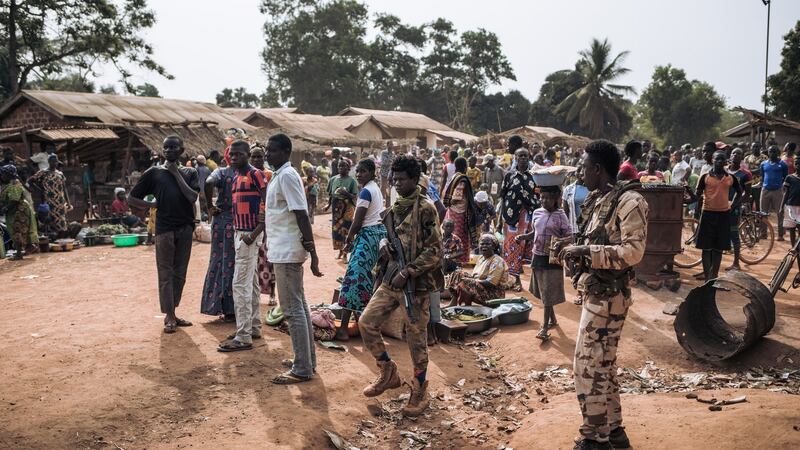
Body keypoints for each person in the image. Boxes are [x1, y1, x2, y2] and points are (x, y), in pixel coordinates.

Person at [559, 139, 648, 450]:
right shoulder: (601, 200)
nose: (581, 173)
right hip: (599, 293)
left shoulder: (629, 202)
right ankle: (613, 431)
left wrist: (587, 251)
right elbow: (600, 239)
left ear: (598, 169)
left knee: (586, 366)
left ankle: (594, 437)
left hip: (609, 298)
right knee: (603, 365)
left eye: (584, 167)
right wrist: (572, 247)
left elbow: (633, 251)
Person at [358, 155, 442, 417]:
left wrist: (408, 271)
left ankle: (419, 389)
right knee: (366, 322)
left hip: (415, 287)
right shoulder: (396, 207)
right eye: (393, 179)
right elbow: (389, 236)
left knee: (416, 339)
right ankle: (387, 370)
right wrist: (384, 245)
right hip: (391, 279)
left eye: (402, 179)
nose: (396, 183)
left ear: (415, 180)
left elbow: (436, 251)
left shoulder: (426, 208)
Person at [264, 133, 324, 384]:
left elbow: (302, 214)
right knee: (299, 306)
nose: (268, 155)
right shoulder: (281, 175)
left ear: (286, 152)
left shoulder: (287, 176)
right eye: (267, 150)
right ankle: (306, 360)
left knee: (292, 309)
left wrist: (313, 253)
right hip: (283, 249)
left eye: (273, 151)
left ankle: (302, 368)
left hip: (288, 252)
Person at [129, 135, 200, 334]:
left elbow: (192, 197)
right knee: (166, 274)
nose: (169, 151)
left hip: (185, 229)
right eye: (166, 147)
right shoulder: (153, 173)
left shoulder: (189, 172)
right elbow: (132, 197)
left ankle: (173, 312)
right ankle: (169, 315)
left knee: (180, 274)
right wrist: (150, 204)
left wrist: (176, 174)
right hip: (164, 230)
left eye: (173, 147)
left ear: (181, 150)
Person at [217, 141, 268, 352]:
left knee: (240, 285)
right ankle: (253, 327)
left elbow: (267, 203)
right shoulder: (236, 176)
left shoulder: (256, 174)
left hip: (249, 234)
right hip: (242, 233)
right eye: (232, 155)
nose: (234, 158)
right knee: (252, 282)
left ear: (247, 155)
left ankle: (243, 335)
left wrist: (254, 232)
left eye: (238, 154)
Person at [335, 159, 387, 341]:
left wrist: (348, 241)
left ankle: (345, 329)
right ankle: (359, 324)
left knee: (353, 280)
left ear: (372, 173)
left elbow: (357, 222)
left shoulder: (366, 190)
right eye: (357, 171)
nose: (359, 175)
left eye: (363, 172)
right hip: (376, 236)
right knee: (364, 279)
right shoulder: (374, 188)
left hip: (367, 236)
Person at [517, 185, 572, 341]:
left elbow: (569, 236)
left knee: (547, 289)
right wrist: (523, 237)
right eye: (542, 197)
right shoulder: (537, 212)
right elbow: (535, 232)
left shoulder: (561, 215)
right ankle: (553, 319)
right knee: (543, 289)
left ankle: (545, 327)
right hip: (538, 255)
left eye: (547, 198)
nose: (543, 200)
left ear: (555, 199)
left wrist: (558, 242)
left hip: (552, 258)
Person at [201, 148, 237, 321]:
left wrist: (210, 206)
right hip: (239, 222)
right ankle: (232, 310)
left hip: (220, 221)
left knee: (218, 261)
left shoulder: (221, 172)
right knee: (236, 264)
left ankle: (215, 305)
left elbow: (208, 182)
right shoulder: (246, 173)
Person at [696, 151, 741, 281]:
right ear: (713, 160)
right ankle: (707, 279)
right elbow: (697, 194)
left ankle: (714, 277)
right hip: (707, 214)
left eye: (722, 159)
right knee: (706, 248)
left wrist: (732, 206)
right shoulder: (705, 177)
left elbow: (739, 192)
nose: (720, 162)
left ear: (726, 161)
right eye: (717, 159)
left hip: (723, 215)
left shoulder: (730, 178)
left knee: (718, 248)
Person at [499, 148, 539, 291]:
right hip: (510, 217)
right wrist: (500, 219)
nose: (523, 158)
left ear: (529, 157)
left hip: (527, 216)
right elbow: (503, 197)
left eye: (525, 155)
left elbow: (537, 196)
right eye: (520, 155)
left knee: (523, 245)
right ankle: (514, 279)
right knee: (510, 246)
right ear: (515, 157)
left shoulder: (533, 176)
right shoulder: (509, 175)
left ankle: (516, 275)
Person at [445, 234, 508, 307]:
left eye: (487, 244)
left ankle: (467, 305)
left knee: (466, 282)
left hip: (493, 295)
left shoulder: (497, 261)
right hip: (482, 289)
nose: (484, 246)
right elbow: (474, 276)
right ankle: (454, 301)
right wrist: (468, 279)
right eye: (482, 244)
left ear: (493, 246)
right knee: (456, 274)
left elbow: (491, 283)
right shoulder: (481, 258)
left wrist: (471, 281)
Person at [250, 146, 276, 306]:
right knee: (254, 262)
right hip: (249, 223)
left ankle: (273, 294)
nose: (256, 160)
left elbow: (271, 200)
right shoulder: (246, 175)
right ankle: (255, 294)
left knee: (269, 259)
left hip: (266, 223)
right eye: (253, 157)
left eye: (259, 157)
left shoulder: (269, 175)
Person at [442, 157, 479, 264]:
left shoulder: (455, 177)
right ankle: (456, 260)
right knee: (458, 236)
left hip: (453, 211)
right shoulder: (462, 179)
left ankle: (452, 259)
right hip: (459, 212)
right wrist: (450, 202)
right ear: (464, 167)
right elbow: (457, 197)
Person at [562, 165, 590, 305]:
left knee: (587, 260)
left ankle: (587, 290)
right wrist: (566, 230)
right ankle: (579, 291)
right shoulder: (568, 190)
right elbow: (565, 212)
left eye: (584, 170)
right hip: (574, 229)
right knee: (575, 260)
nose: (582, 173)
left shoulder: (592, 188)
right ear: (576, 173)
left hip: (589, 230)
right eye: (580, 170)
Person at [28, 154, 72, 237]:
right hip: (48, 202)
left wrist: (68, 203)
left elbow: (64, 188)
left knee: (61, 223)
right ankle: (51, 241)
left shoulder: (60, 173)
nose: (54, 163)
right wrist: (40, 190)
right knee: (49, 222)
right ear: (48, 162)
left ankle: (61, 241)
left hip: (60, 203)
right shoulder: (43, 172)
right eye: (52, 161)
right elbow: (30, 181)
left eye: (55, 161)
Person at [0, 165, 37, 260]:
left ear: (9, 174)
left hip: (19, 210)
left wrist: (5, 209)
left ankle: (19, 253)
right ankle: (28, 248)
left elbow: (14, 200)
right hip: (14, 211)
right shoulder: (7, 184)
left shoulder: (14, 184)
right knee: (16, 231)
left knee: (17, 231)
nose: (2, 176)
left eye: (3, 174)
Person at [325, 159, 358, 260]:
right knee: (337, 230)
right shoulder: (333, 179)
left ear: (348, 168)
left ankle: (345, 254)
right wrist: (328, 205)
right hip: (336, 208)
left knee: (346, 229)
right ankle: (340, 251)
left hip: (348, 207)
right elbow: (331, 195)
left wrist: (346, 193)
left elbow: (354, 196)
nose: (341, 168)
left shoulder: (352, 181)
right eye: (339, 166)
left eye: (344, 166)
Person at [726, 148, 752, 271]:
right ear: (730, 156)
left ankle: (736, 263)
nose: (736, 155)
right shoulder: (724, 171)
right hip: (720, 206)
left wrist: (735, 205)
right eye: (734, 153)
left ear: (742, 158)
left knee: (734, 234)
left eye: (739, 154)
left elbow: (747, 195)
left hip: (734, 209)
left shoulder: (745, 174)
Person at [760, 145, 789, 241]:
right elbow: (763, 177)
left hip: (778, 191)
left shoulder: (783, 164)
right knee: (763, 212)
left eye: (774, 152)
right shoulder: (763, 164)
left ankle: (780, 235)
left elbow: (785, 177)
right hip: (765, 190)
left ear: (778, 153)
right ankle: (763, 233)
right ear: (768, 153)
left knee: (780, 213)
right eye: (770, 151)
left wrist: (782, 188)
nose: (772, 153)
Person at [781, 155, 800, 246]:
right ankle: (793, 248)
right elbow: (786, 193)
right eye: (797, 163)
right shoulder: (789, 177)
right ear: (794, 165)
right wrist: (781, 207)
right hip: (790, 206)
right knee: (792, 229)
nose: (798, 165)